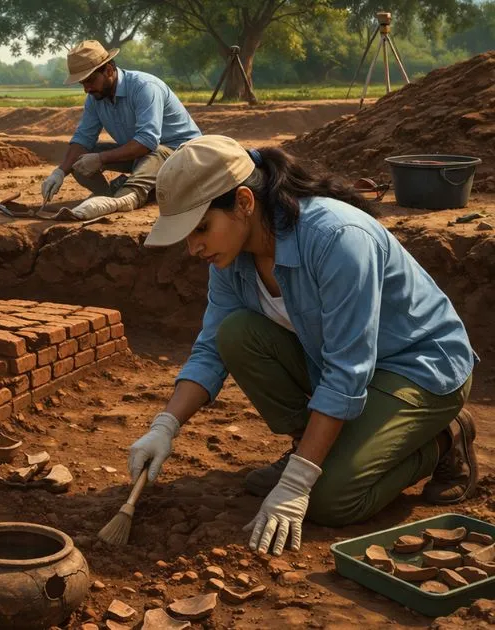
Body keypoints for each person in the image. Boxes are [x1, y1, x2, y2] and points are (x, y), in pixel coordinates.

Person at [127, 135, 477, 556]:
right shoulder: (231, 257)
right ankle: (310, 449)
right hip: (343, 367)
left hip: (418, 369)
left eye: (201, 228)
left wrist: (298, 481)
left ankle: (444, 440)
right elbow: (212, 347)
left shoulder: (336, 238)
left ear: (243, 202)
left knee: (330, 501)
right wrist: (164, 426)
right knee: (236, 333)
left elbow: (348, 370)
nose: (193, 247)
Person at [40, 40, 202, 221]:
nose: (86, 89)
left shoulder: (144, 87)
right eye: (82, 83)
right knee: (80, 160)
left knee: (155, 152)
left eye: (90, 80)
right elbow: (83, 138)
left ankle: (125, 197)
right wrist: (60, 172)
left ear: (109, 70)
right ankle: (107, 195)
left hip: (182, 156)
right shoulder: (95, 98)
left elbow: (147, 141)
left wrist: (101, 158)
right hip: (141, 156)